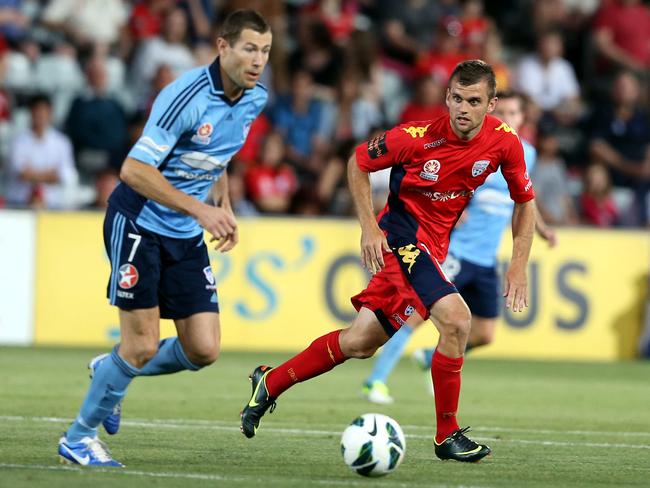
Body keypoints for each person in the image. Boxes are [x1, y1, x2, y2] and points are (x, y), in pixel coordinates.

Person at [240, 60, 537, 463]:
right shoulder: (414, 138)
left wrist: (518, 263)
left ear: (491, 104)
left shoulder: (504, 142)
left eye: (474, 101)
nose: (463, 108)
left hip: (434, 249)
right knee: (457, 319)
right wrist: (368, 227)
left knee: (360, 342)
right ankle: (446, 435)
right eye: (456, 98)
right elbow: (357, 162)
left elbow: (525, 202)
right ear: (446, 97)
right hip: (402, 240)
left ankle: (270, 382)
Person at [57, 9, 272, 467]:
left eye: (266, 51)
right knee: (141, 344)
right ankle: (78, 438)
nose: (258, 60)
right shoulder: (185, 96)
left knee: (203, 348)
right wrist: (202, 211)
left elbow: (218, 154)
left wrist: (225, 204)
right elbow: (133, 170)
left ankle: (110, 371)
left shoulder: (255, 98)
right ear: (223, 47)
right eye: (250, 48)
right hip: (138, 223)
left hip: (183, 231)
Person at [361, 91, 557, 405]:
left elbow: (523, 199)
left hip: (486, 259)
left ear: (523, 118)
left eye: (513, 113)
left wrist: (542, 229)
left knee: (484, 334)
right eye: (501, 112)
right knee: (413, 315)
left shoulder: (525, 154)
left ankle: (428, 356)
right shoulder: (479, 147)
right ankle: (376, 380)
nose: (506, 119)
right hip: (456, 251)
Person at [5, 93, 79, 209]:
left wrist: (33, 173)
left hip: (53, 204)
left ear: (50, 114)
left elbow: (65, 175)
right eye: (37, 111)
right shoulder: (18, 141)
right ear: (30, 113)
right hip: (19, 203)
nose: (40, 115)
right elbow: (21, 173)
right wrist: (49, 174)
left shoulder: (62, 142)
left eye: (44, 112)